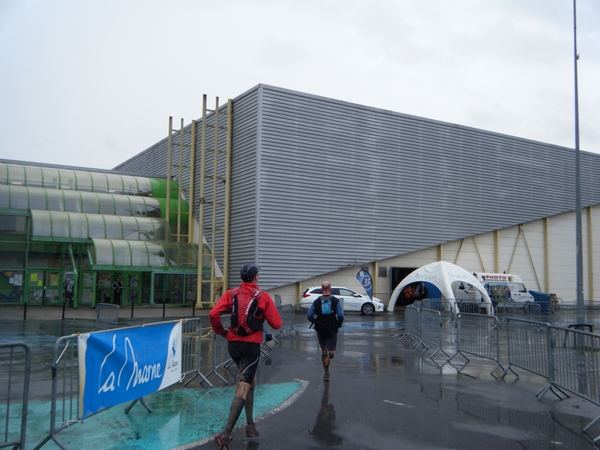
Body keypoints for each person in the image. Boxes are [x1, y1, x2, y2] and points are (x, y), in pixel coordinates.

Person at [209, 264, 282, 449]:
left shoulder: (231, 294)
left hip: (233, 345)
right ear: (255, 277)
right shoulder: (263, 297)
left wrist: (220, 331)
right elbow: (277, 323)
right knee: (243, 386)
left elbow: (213, 313)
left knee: (251, 382)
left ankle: (250, 425)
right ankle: (226, 433)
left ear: (242, 277)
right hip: (251, 347)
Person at [306, 281, 344, 382]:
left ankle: (326, 373)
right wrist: (339, 324)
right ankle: (331, 351)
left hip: (320, 328)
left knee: (323, 350)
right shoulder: (336, 301)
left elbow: (309, 315)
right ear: (330, 289)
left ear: (322, 290)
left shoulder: (316, 302)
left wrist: (315, 321)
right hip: (332, 327)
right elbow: (340, 315)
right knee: (331, 348)